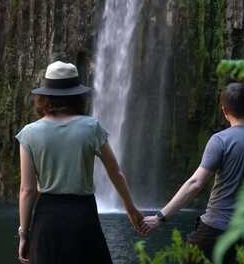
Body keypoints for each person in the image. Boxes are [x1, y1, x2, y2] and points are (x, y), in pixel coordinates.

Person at [15, 61, 147, 264]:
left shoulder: (29, 133)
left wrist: (24, 233)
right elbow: (115, 173)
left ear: (45, 96)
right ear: (77, 95)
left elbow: (27, 190)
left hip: (47, 217)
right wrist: (131, 209)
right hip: (83, 215)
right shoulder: (91, 128)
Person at [143, 82, 244, 263]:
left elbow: (195, 184)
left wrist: (160, 217)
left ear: (224, 111)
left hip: (215, 232)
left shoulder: (220, 141)